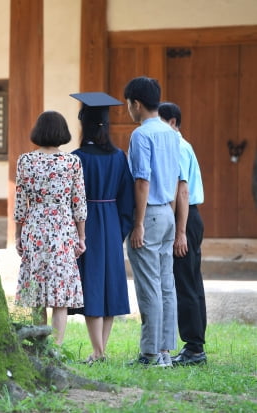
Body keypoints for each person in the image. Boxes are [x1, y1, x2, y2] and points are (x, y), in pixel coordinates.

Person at [69, 92, 135, 364]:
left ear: (84, 126)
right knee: (108, 286)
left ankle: (98, 352)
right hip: (111, 221)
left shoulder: (77, 157)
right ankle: (100, 350)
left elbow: (71, 198)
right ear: (106, 126)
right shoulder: (119, 157)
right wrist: (120, 229)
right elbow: (128, 198)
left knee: (92, 286)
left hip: (87, 223)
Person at [14, 110, 87, 346]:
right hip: (63, 230)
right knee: (60, 294)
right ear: (62, 133)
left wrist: (18, 235)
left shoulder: (25, 161)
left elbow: (20, 203)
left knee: (35, 291)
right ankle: (56, 348)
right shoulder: (72, 162)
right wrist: (81, 237)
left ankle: (38, 347)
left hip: (34, 227)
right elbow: (79, 203)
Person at [123, 76, 180, 367]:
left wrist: (139, 223)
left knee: (149, 286)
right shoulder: (172, 133)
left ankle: (149, 353)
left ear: (136, 103)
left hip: (150, 213)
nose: (128, 111)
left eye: (128, 105)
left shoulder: (141, 135)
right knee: (166, 284)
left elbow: (142, 180)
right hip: (168, 212)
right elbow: (176, 177)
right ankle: (166, 352)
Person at [158, 102, 207, 366]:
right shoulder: (181, 145)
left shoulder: (177, 147)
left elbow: (183, 191)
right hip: (190, 217)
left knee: (186, 283)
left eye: (161, 121)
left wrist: (180, 233)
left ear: (173, 122)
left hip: (185, 218)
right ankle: (195, 344)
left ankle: (194, 348)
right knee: (192, 282)